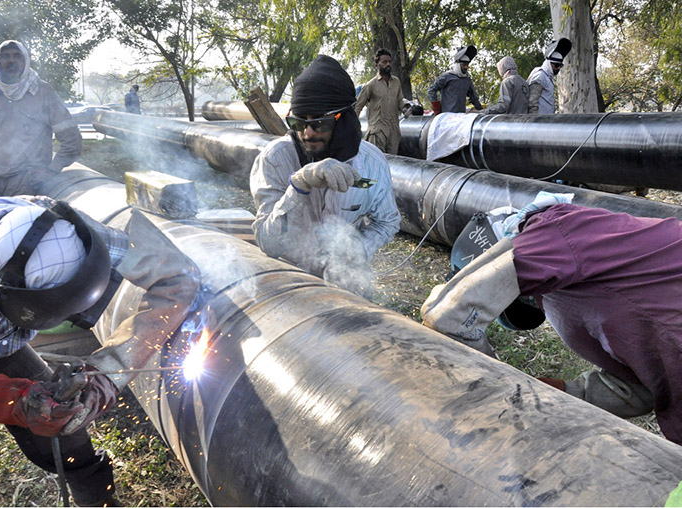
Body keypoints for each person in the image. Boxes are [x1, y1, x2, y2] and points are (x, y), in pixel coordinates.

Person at [0, 195, 201, 505]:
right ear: (18, 299)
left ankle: (98, 501)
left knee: (65, 430)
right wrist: (18, 402)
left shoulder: (59, 227)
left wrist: (109, 370)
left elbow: (177, 276)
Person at [420, 191, 682, 445]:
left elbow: (448, 316)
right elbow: (636, 389)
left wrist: (496, 387)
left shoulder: (556, 229)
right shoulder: (577, 287)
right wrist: (551, 393)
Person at [250, 55, 401, 299]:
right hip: (291, 279)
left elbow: (388, 221)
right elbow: (269, 243)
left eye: (319, 123)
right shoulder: (275, 160)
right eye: (299, 123)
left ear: (343, 121)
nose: (308, 134)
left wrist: (356, 250)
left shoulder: (372, 163)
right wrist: (298, 185)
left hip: (347, 280)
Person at [0, 40, 82, 198]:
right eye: (6, 56)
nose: (11, 61)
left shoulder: (43, 92)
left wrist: (52, 170)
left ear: (25, 60)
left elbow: (72, 140)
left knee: (19, 223)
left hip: (26, 183)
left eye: (17, 56)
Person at [355, 48, 414, 155]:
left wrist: (405, 107)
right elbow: (358, 107)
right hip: (377, 133)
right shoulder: (370, 85)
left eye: (389, 62)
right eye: (384, 62)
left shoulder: (396, 82)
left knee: (392, 164)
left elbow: (400, 99)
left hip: (393, 132)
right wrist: (353, 128)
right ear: (377, 65)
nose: (388, 64)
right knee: (377, 163)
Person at [427, 45, 483, 114]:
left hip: (460, 116)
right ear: (458, 64)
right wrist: (436, 108)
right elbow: (431, 90)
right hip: (446, 115)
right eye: (463, 65)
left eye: (467, 65)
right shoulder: (447, 77)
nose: (466, 67)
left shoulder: (467, 80)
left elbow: (474, 98)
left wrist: (482, 111)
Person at [527, 38, 572, 114]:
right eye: (556, 65)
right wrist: (534, 122)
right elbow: (532, 103)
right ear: (549, 63)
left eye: (560, 65)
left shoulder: (548, 78)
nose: (558, 68)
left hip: (547, 121)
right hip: (539, 122)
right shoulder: (540, 76)